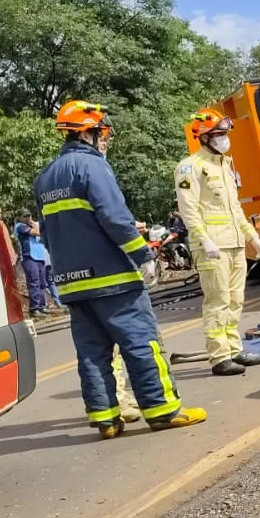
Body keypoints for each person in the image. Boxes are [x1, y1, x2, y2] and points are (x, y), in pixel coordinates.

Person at [34, 100, 205, 438]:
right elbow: (114, 217)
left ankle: (106, 419)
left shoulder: (45, 178)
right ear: (88, 133)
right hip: (113, 280)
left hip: (72, 284)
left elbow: (50, 234)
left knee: (92, 353)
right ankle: (163, 410)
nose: (105, 141)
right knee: (142, 344)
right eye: (104, 134)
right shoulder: (92, 167)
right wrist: (142, 254)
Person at [176, 110, 260, 377]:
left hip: (234, 243)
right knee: (217, 301)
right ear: (203, 137)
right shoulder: (190, 167)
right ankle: (219, 357)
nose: (224, 139)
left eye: (225, 134)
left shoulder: (225, 165)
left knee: (235, 300)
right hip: (211, 247)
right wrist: (204, 240)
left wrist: (252, 236)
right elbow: (188, 209)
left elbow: (234, 208)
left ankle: (234, 349)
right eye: (218, 135)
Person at [13, 211, 52, 317]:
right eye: (24, 216)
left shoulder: (33, 225)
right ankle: (34, 308)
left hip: (39, 257)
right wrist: (34, 224)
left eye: (29, 215)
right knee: (34, 282)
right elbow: (36, 233)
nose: (27, 218)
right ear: (19, 218)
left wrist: (34, 224)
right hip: (29, 257)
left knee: (42, 283)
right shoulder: (20, 226)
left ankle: (41, 306)